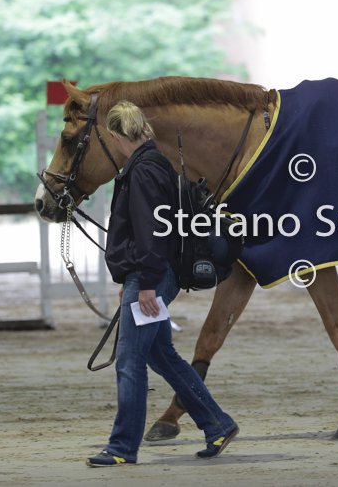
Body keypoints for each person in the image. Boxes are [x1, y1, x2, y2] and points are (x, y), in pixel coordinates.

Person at [86, 100, 238, 467]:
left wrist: (145, 284)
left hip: (151, 277)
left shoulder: (142, 171)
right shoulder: (155, 164)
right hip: (149, 275)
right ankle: (217, 424)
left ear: (116, 135)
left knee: (129, 362)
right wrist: (133, 279)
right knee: (160, 355)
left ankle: (122, 447)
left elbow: (150, 232)